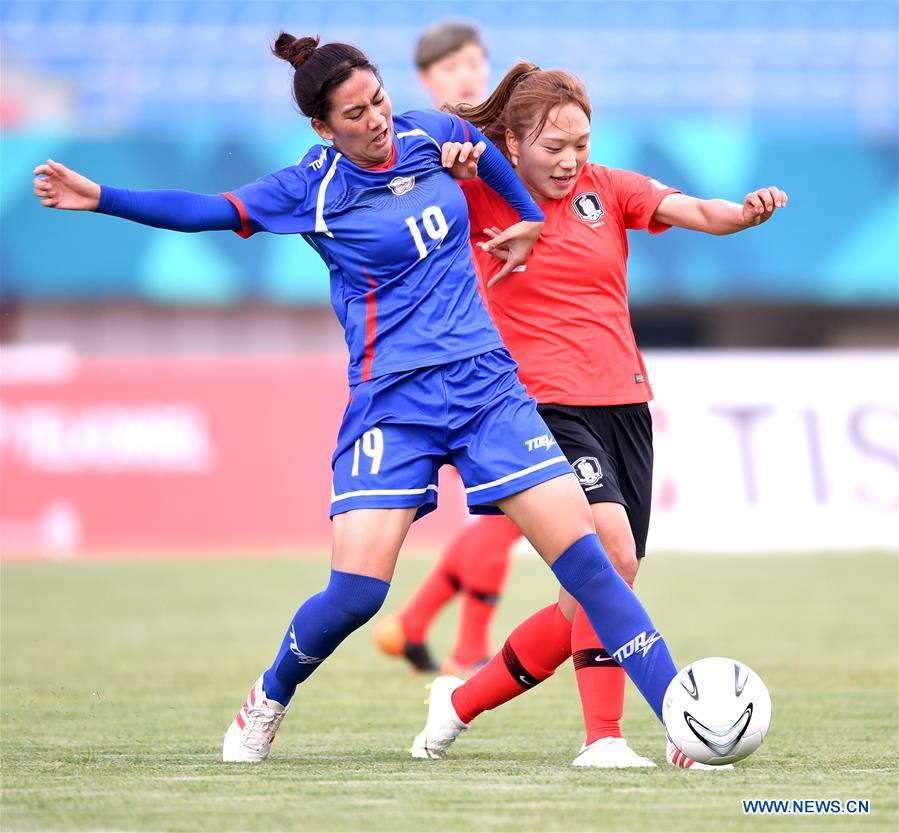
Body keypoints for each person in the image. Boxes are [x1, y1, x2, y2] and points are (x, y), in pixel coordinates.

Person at [33, 36, 686, 765]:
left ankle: (680, 718)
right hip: (393, 404)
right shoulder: (305, 190)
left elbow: (480, 144)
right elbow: (204, 210)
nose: (376, 119)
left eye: (377, 100)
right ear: (322, 128)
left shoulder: (426, 133)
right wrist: (101, 198)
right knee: (354, 596)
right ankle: (269, 695)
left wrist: (522, 214)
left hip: (485, 390)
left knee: (590, 563)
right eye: (355, 113)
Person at [409, 61, 787, 769]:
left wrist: (745, 212)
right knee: (608, 557)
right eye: (553, 146)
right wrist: (452, 152)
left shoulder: (607, 189)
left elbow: (703, 212)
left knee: (590, 597)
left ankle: (457, 703)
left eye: (579, 143)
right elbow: (408, 153)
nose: (569, 159)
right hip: (540, 405)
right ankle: (608, 736)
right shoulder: (480, 194)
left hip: (624, 405)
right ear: (512, 144)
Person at [373, 19, 523, 679]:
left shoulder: (490, 143)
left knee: (509, 507)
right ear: (425, 82)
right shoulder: (412, 149)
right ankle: (467, 649)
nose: (468, 75)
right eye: (452, 67)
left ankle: (414, 623)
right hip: (461, 345)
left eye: (475, 63)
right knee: (510, 503)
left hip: (502, 328)